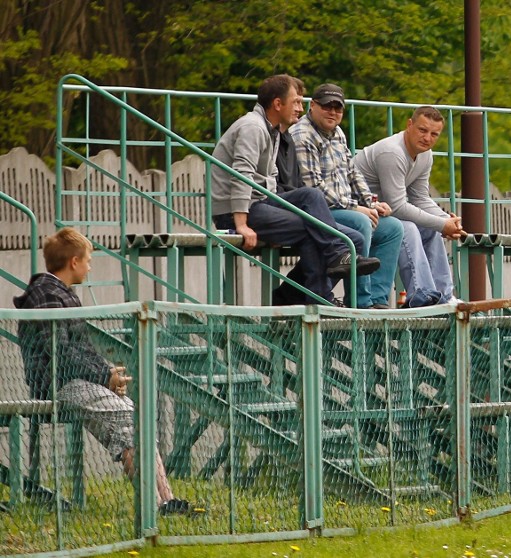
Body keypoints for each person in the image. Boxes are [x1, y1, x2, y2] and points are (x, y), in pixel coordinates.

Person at [13, 228, 197, 515]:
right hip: (56, 384)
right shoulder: (46, 295)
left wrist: (109, 374)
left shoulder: (61, 293)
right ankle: (155, 505)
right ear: (74, 261)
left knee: (137, 416)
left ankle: (166, 500)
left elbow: (81, 351)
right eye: (87, 260)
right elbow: (60, 353)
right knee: (127, 419)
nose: (90, 266)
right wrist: (103, 377)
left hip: (75, 380)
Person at [210, 74, 380, 305]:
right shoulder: (253, 127)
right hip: (236, 212)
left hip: (262, 202)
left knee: (348, 232)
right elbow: (241, 176)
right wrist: (241, 224)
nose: (300, 108)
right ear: (278, 104)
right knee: (314, 227)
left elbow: (270, 178)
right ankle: (319, 297)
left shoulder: (273, 130)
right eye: (296, 102)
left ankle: (297, 293)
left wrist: (278, 215)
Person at [289, 83, 403, 309]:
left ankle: (377, 300)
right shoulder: (302, 135)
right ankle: (360, 302)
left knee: (393, 228)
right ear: (312, 106)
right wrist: (356, 208)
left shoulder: (337, 132)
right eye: (327, 106)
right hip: (316, 211)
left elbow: (352, 173)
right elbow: (314, 188)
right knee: (361, 222)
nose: (332, 112)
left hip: (344, 208)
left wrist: (372, 202)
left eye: (338, 108)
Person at [353, 106, 464, 304]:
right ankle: (421, 296)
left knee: (431, 230)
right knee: (409, 228)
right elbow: (398, 207)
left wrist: (446, 221)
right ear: (409, 125)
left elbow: (420, 197)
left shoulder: (425, 154)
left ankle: (444, 296)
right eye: (422, 130)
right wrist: (441, 223)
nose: (427, 138)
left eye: (434, 134)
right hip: (359, 212)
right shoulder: (392, 152)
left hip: (383, 213)